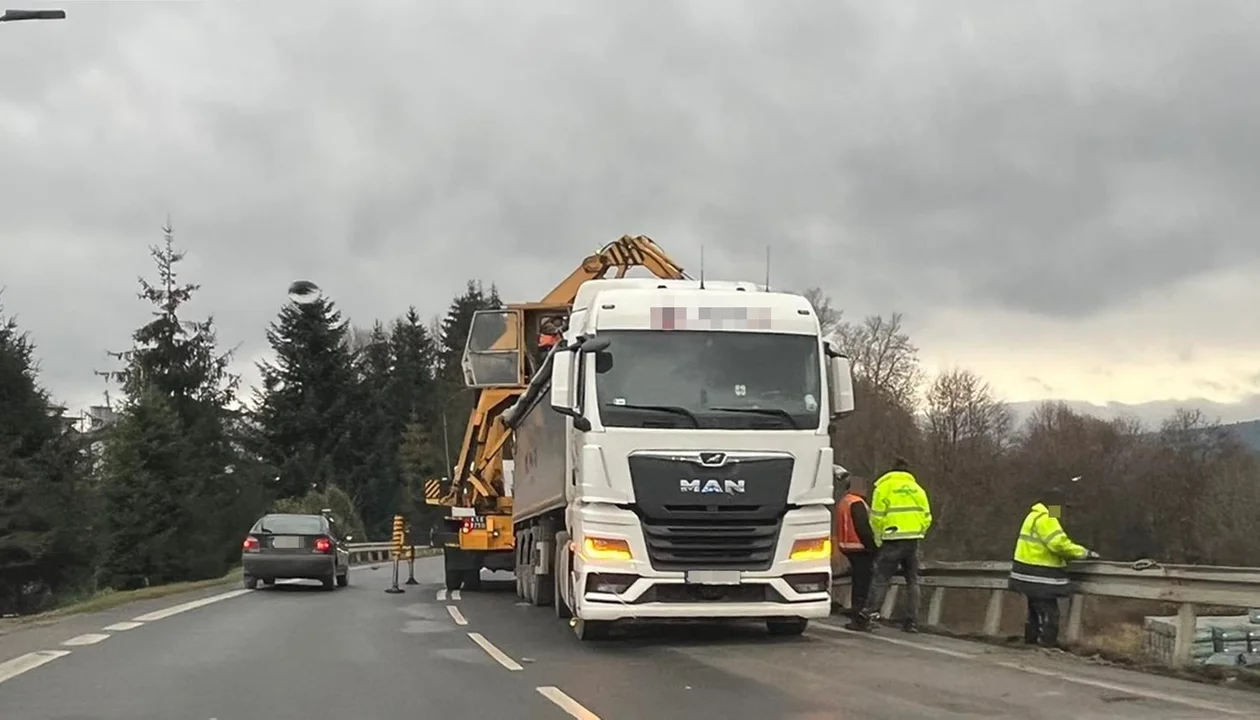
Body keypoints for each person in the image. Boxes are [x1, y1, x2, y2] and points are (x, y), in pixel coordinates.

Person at [846, 456, 933, 633]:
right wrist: (919, 532)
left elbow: (876, 518)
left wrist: (878, 540)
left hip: (892, 539)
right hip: (913, 540)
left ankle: (867, 616)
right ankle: (912, 622)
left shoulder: (884, 488)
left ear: (892, 470)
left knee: (881, 579)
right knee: (913, 581)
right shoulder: (918, 489)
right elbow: (927, 517)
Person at [1009, 487, 1098, 648]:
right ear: (1054, 505)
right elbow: (1058, 544)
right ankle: (1047, 643)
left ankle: (1031, 640)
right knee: (1050, 612)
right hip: (1040, 574)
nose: (1062, 512)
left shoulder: (1033, 515)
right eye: (1061, 507)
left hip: (1025, 571)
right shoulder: (1047, 518)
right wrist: (1084, 553)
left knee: (1035, 609)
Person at [833, 467, 877, 618]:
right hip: (859, 547)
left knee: (858, 579)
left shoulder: (844, 501)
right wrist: (872, 547)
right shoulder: (857, 503)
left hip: (847, 546)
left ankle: (856, 608)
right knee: (863, 581)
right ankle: (859, 611)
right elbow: (862, 527)